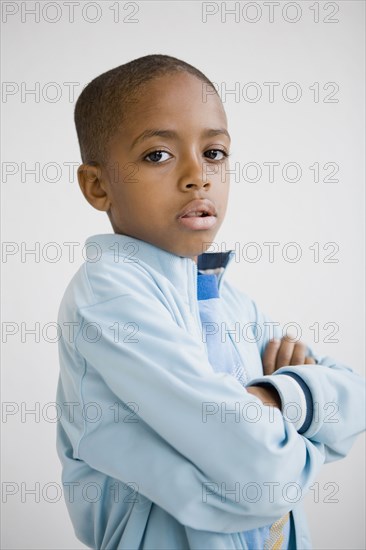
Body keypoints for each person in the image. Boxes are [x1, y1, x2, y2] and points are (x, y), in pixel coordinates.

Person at [56, 54, 365, 550]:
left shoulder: (231, 301)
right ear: (98, 185)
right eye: (157, 155)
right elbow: (265, 478)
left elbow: (354, 396)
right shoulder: (108, 298)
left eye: (215, 153)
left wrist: (277, 397)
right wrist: (303, 424)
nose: (198, 176)